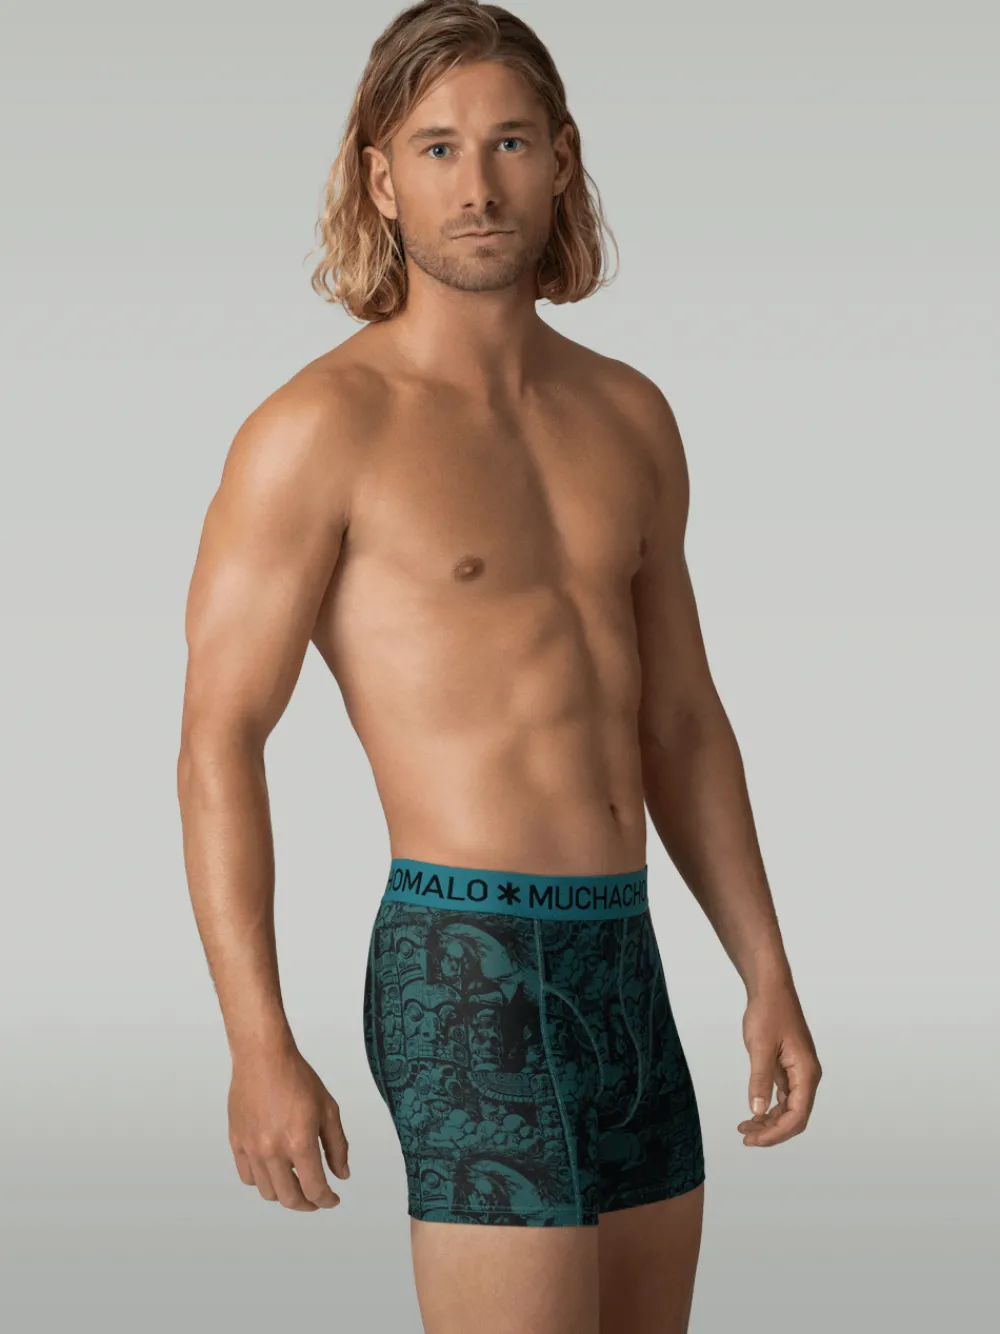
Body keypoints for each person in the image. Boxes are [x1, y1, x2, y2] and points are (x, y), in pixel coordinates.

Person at [176, 3, 822, 1331]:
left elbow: (681, 721)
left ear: (561, 159)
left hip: (626, 959)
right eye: (438, 148)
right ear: (381, 180)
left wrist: (765, 966)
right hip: (465, 967)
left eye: (510, 142)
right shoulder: (318, 430)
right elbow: (218, 737)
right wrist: (256, 1041)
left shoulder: (629, 415)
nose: (477, 185)